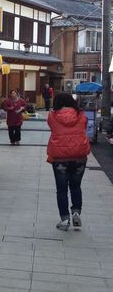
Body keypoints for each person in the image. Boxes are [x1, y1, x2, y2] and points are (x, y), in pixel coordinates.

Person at [47, 92, 90, 231]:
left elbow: (52, 127)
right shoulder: (82, 115)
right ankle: (76, 212)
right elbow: (84, 128)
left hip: (60, 157)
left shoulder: (52, 116)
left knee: (61, 190)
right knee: (76, 187)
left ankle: (65, 220)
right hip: (79, 157)